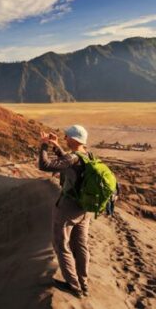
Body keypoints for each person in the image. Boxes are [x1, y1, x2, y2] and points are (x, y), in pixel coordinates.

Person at [38, 125, 91, 298]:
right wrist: (57, 146)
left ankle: (73, 286)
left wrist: (44, 145)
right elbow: (70, 165)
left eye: (67, 136)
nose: (65, 138)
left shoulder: (72, 157)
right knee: (80, 245)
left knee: (61, 244)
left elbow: (45, 165)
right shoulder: (88, 155)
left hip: (68, 207)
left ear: (74, 139)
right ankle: (84, 283)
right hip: (85, 208)